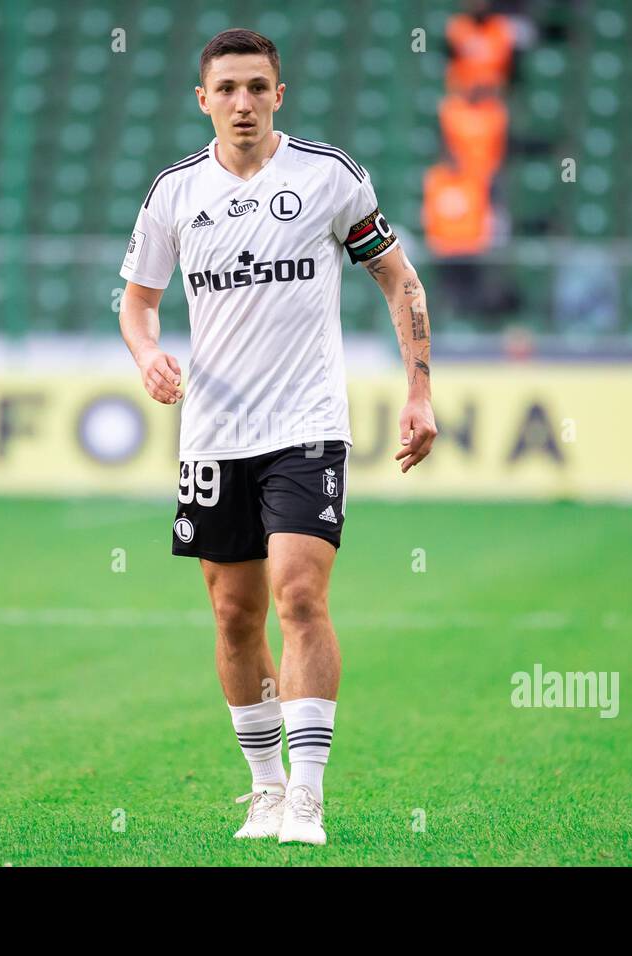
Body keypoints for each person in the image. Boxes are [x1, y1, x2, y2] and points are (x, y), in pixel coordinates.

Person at [117, 29, 437, 845]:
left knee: (299, 596)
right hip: (214, 434)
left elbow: (399, 276)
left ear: (279, 95)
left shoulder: (328, 177)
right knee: (233, 616)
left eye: (258, 87)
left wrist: (420, 390)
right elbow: (138, 299)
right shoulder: (175, 193)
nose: (243, 103)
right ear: (203, 99)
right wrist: (149, 352)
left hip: (308, 426)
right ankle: (264, 789)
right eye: (226, 89)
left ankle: (308, 796)